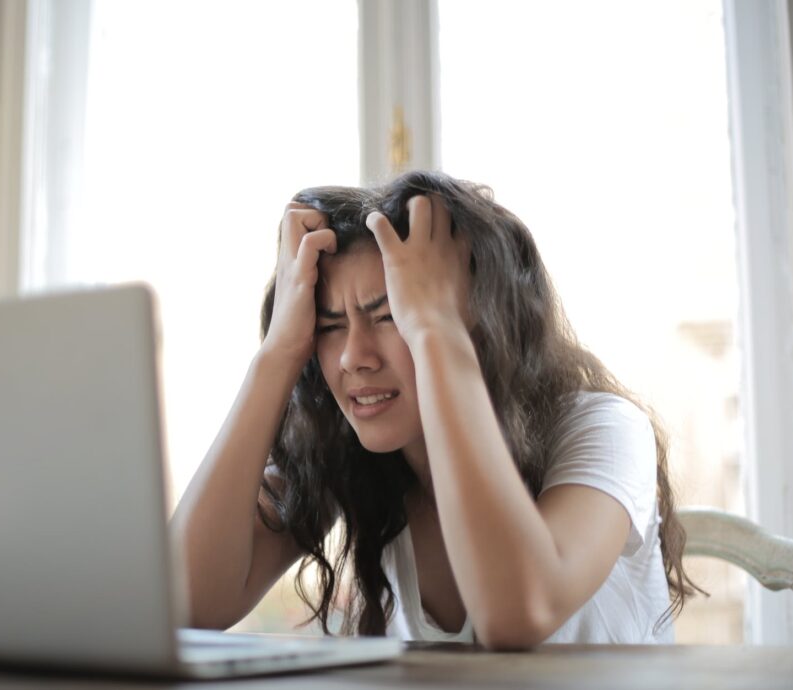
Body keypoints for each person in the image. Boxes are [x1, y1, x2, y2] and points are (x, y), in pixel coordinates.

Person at [172, 170, 700, 648]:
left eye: (391, 316)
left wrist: (435, 330)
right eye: (329, 326)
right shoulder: (353, 458)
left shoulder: (604, 428)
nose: (354, 357)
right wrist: (277, 353)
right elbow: (184, 604)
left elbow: (518, 613)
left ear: (481, 321)